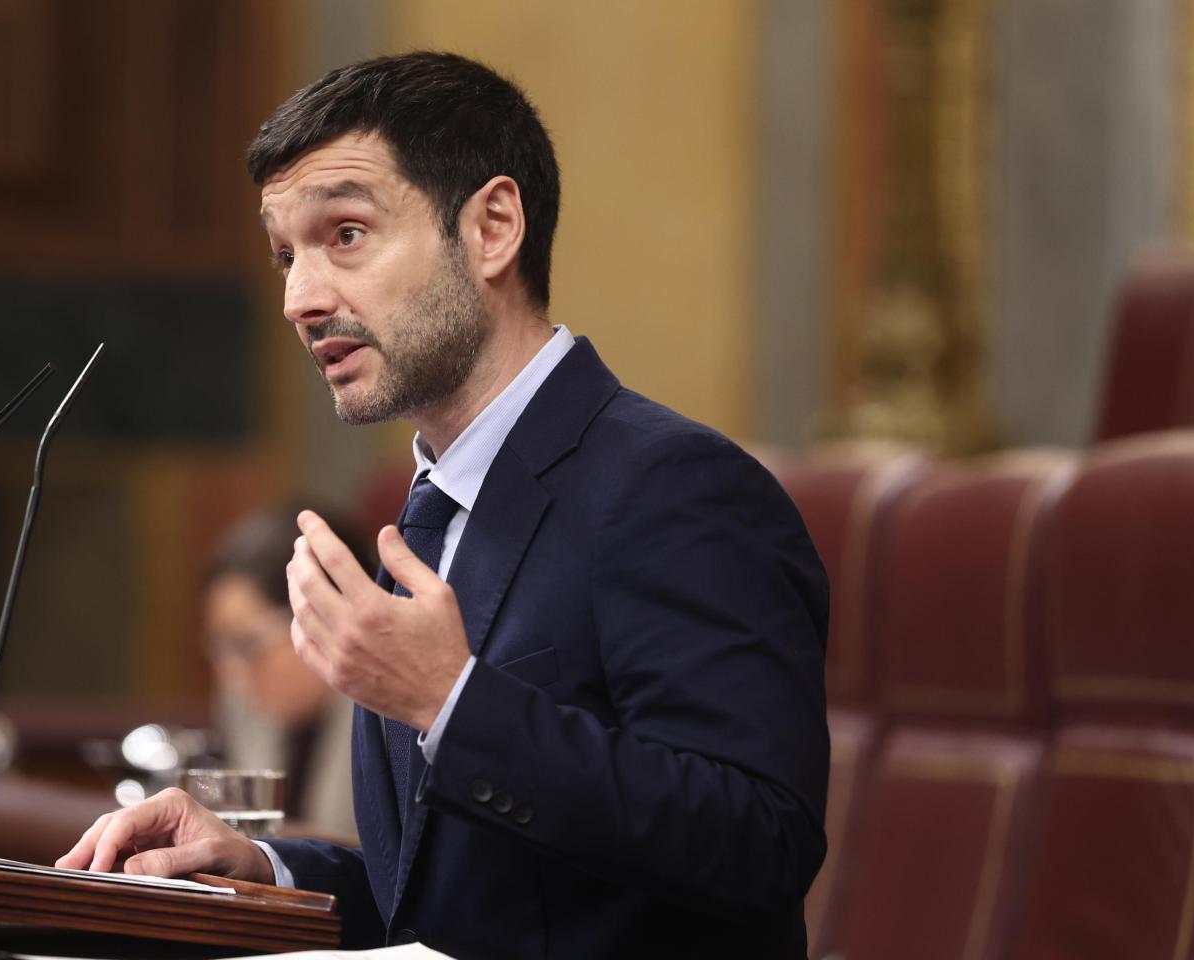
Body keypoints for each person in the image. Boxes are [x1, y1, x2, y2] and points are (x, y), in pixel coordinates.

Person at [59, 52, 830, 958]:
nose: (300, 299)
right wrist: (266, 868)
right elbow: (443, 905)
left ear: (493, 227)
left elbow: (760, 842)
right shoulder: (428, 510)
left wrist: (452, 701)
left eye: (344, 233)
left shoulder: (676, 485)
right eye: (283, 255)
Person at [202, 505, 361, 840]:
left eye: (246, 645)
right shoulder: (243, 709)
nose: (231, 677)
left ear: (319, 617)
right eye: (219, 647)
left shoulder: (389, 718)